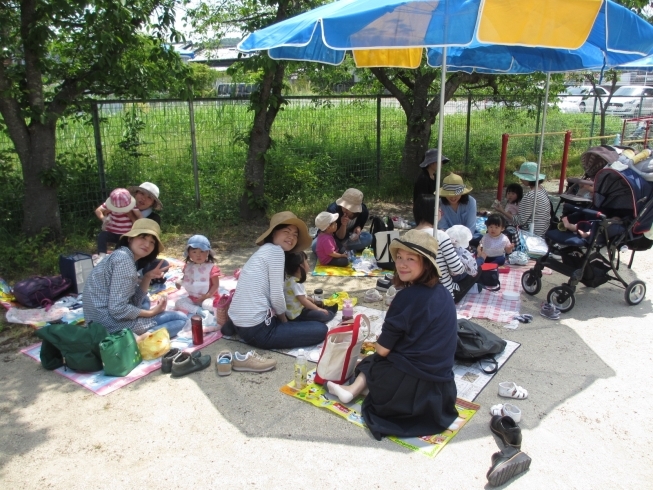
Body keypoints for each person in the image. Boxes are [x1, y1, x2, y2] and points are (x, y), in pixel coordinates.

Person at [325, 230, 463, 440]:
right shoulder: (443, 293)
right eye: (399, 257)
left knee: (373, 360)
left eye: (410, 259)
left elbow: (382, 349)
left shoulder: (406, 298)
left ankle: (352, 390)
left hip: (408, 392)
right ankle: (354, 390)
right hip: (441, 393)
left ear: (426, 264)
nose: (402, 264)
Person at [221, 212, 328, 350]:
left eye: (295, 234)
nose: (291, 237)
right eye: (286, 231)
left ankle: (234, 329)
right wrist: (284, 321)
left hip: (237, 320)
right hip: (257, 329)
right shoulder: (276, 252)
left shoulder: (263, 251)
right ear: (273, 234)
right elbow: (277, 295)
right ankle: (260, 333)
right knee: (320, 329)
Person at [83, 219, 188, 338]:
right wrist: (151, 313)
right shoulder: (124, 261)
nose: (147, 244)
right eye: (143, 237)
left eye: (152, 242)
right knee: (181, 319)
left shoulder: (122, 255)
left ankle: (140, 331)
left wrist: (147, 277)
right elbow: (118, 309)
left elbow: (130, 299)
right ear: (130, 238)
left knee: (145, 300)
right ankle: (138, 339)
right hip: (108, 325)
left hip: (95, 318)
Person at [414, 194, 480, 303]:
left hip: (417, 292)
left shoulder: (408, 236)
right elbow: (456, 269)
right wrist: (468, 262)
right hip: (442, 295)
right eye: (439, 209)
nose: (441, 211)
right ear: (433, 211)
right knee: (477, 265)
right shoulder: (441, 236)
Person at [495, 162, 552, 237]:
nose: (521, 179)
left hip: (531, 232)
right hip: (544, 229)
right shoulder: (542, 190)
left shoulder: (530, 196)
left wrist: (502, 211)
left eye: (522, 177)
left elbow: (520, 221)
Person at [284, 251, 337, 324]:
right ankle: (331, 312)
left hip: (297, 310)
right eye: (307, 262)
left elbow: (303, 296)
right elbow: (304, 301)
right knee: (323, 315)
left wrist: (313, 300)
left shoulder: (290, 279)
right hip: (297, 315)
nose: (309, 264)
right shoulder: (296, 283)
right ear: (301, 267)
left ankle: (326, 309)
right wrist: (318, 309)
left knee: (315, 302)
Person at [313, 188, 372, 253]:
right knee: (315, 245)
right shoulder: (333, 210)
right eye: (343, 205)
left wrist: (359, 227)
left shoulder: (363, 212)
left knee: (368, 237)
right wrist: (343, 225)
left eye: (348, 208)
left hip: (348, 237)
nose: (344, 209)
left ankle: (339, 250)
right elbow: (336, 236)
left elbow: (359, 227)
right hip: (331, 238)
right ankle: (342, 249)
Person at [174, 235, 221, 315]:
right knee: (179, 303)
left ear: (207, 252)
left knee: (207, 305)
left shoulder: (211, 268)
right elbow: (186, 278)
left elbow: (216, 285)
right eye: (194, 252)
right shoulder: (188, 267)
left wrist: (207, 295)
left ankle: (219, 309)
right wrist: (179, 282)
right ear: (189, 254)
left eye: (202, 251)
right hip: (193, 298)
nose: (198, 255)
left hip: (209, 297)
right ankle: (199, 311)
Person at [95, 188, 141, 259]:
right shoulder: (108, 204)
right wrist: (103, 218)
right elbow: (98, 211)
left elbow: (140, 216)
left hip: (125, 234)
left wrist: (136, 223)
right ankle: (102, 255)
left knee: (121, 250)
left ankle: (118, 257)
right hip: (111, 232)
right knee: (102, 236)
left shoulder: (132, 206)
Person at [437, 173, 478, 238]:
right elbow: (442, 227)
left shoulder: (471, 202)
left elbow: (471, 227)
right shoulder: (439, 204)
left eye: (456, 195)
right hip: (447, 238)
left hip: (467, 237)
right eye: (449, 195)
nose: (453, 198)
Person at [413, 149, 450, 217]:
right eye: (439, 161)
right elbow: (423, 200)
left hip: (434, 209)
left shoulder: (435, 177)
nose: (441, 164)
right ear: (431, 163)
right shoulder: (423, 178)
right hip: (424, 212)